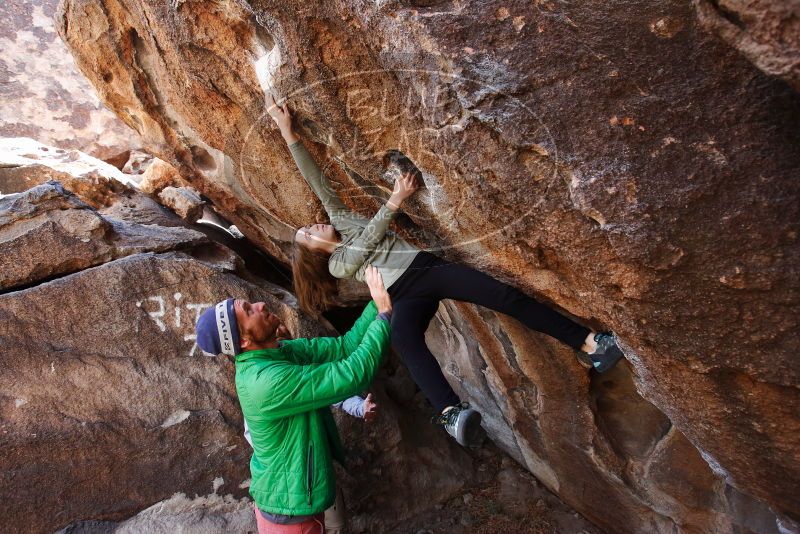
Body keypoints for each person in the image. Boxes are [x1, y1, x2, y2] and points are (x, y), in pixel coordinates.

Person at [265, 94, 625, 448]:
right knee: (406, 341)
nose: (314, 225)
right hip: (402, 296)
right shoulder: (337, 263)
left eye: (309, 226)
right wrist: (394, 200)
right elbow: (368, 242)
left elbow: (316, 180)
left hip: (428, 269)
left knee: (503, 296)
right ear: (315, 253)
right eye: (309, 234)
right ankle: (451, 412)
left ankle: (590, 342)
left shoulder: (340, 218)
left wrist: (287, 131)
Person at [195, 266, 392, 534]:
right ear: (243, 340)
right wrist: (383, 315)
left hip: (296, 500)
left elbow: (344, 347)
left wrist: (377, 299)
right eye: (249, 311)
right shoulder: (265, 382)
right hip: (289, 513)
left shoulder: (281, 353)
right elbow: (353, 373)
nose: (261, 304)